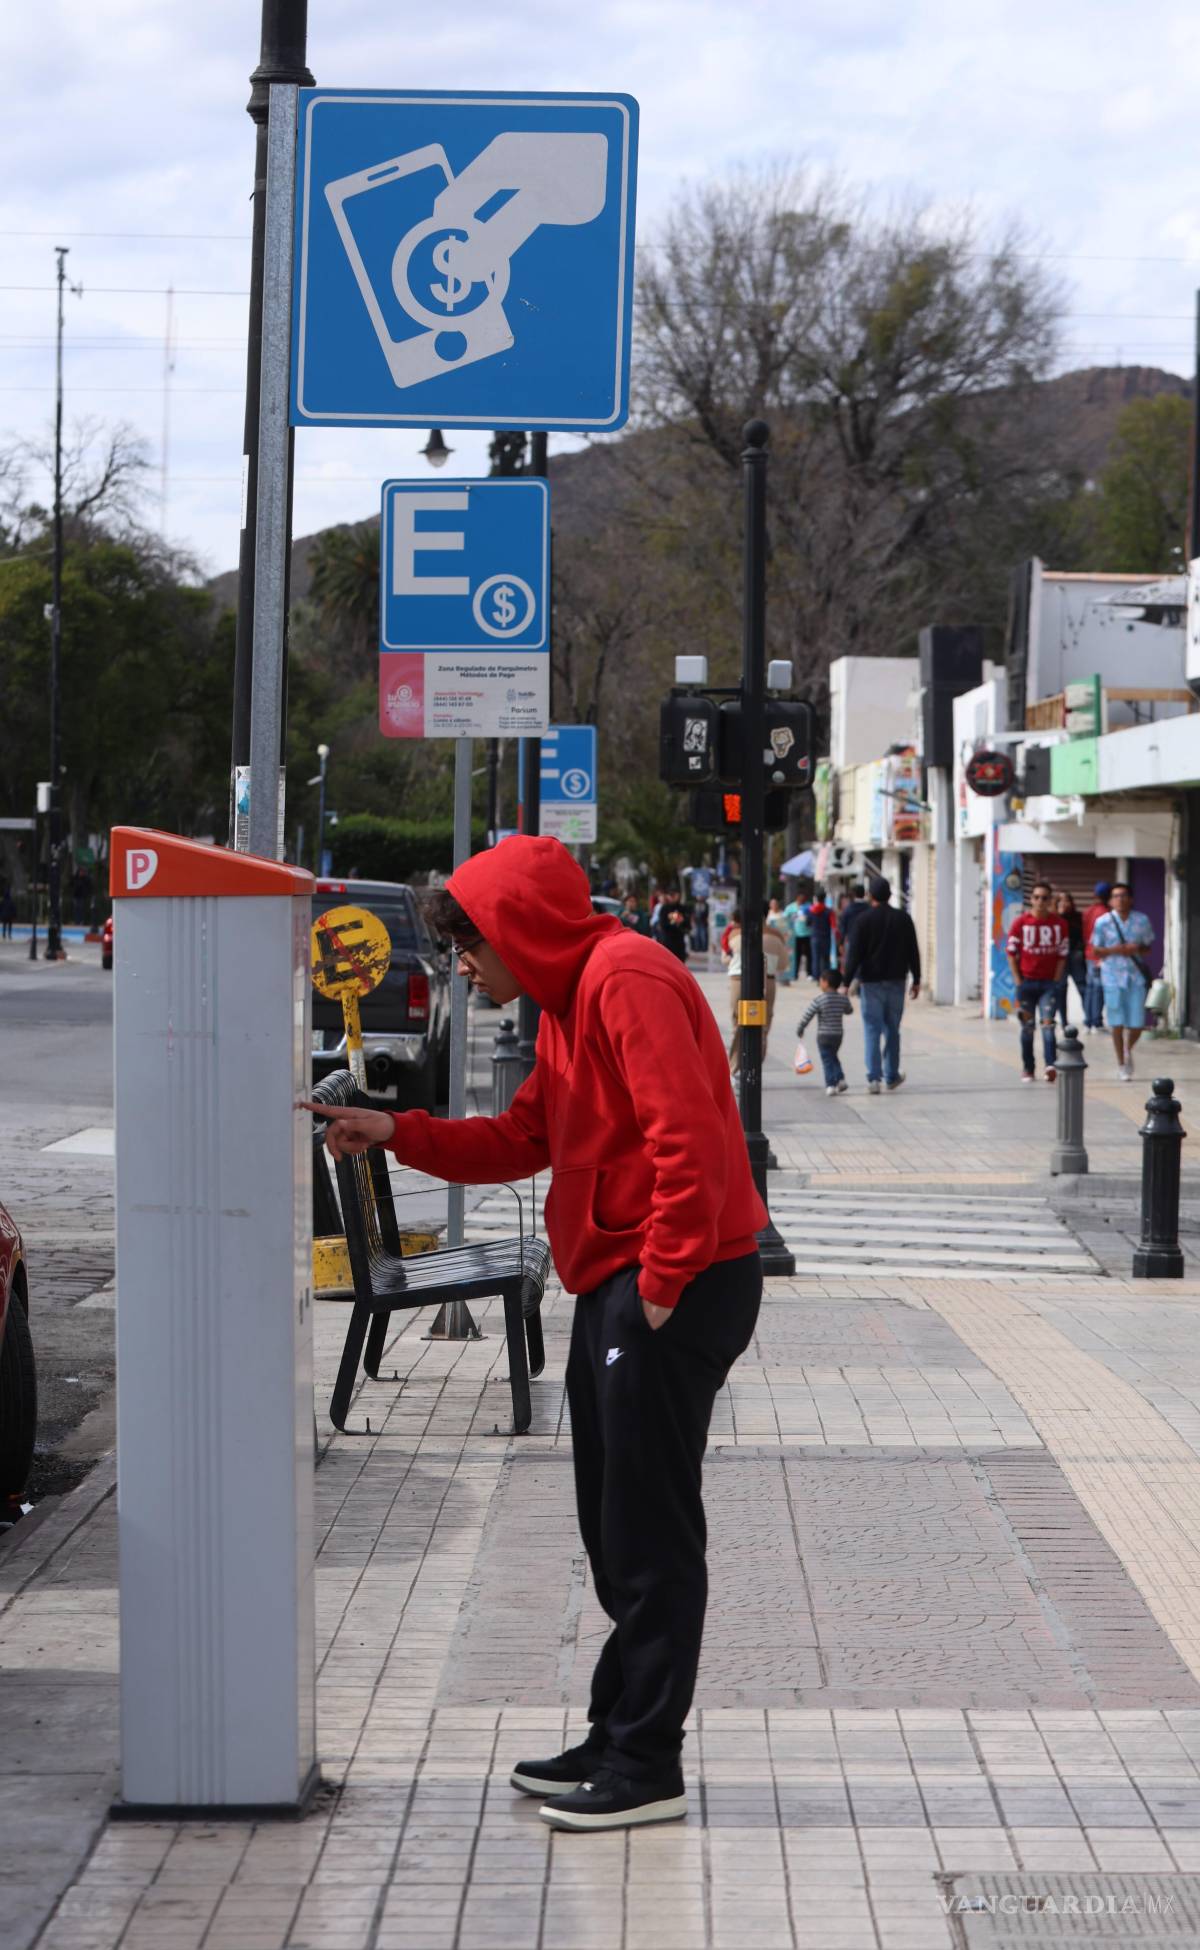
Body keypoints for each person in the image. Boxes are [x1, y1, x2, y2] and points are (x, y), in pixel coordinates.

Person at [304, 837, 765, 1833]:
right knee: (615, 1529)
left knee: (647, 1535)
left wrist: (664, 1279)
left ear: (518, 930)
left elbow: (686, 1134)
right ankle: (616, 1735)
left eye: (471, 947)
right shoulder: (569, 1001)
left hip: (667, 1282)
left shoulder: (626, 979)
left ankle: (646, 1764)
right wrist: (398, 1130)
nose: (462, 968)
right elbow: (522, 1138)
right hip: (626, 1274)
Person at [843, 878, 921, 1094]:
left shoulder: (863, 920)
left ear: (871, 895)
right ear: (890, 895)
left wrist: (845, 982)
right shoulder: (903, 919)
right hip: (897, 981)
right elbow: (913, 950)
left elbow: (854, 954)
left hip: (871, 983)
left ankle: (873, 1079)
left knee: (871, 1029)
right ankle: (891, 1075)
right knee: (893, 1030)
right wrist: (917, 979)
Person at [1091, 880, 1155, 1081]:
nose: (1120, 899)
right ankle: (1121, 1063)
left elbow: (1148, 946)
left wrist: (1135, 948)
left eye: (1124, 895)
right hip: (1111, 976)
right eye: (1116, 896)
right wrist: (1115, 950)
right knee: (1116, 1022)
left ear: (1131, 899)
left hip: (1135, 977)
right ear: (1110, 900)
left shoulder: (1141, 920)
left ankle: (1127, 1049)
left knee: (1137, 1023)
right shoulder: (1102, 922)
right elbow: (1095, 949)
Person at [1005, 880, 1068, 1084]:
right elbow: (1011, 953)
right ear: (1031, 900)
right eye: (1037, 897)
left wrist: (1056, 979)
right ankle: (1028, 1067)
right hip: (1027, 983)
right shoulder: (1020, 923)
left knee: (1048, 1024)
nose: (1040, 901)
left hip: (1048, 984)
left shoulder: (1059, 924)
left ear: (1050, 901)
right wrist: (1017, 980)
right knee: (1027, 1027)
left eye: (1045, 898)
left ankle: (1051, 1065)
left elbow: (1062, 954)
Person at [724, 904, 790, 1073]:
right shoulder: (776, 937)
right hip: (767, 982)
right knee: (763, 1025)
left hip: (738, 980)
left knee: (738, 1023)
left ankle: (735, 1067)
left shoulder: (734, 935)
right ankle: (755, 1068)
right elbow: (783, 964)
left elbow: (725, 959)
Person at [796, 966, 854, 1096]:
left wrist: (801, 1028)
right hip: (838, 1035)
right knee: (833, 1056)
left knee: (827, 1060)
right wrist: (845, 1000)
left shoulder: (820, 999)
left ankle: (830, 1085)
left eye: (821, 980)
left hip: (823, 1035)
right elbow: (849, 1010)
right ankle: (840, 1079)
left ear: (826, 982)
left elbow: (808, 1015)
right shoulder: (842, 998)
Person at [1081, 882, 1112, 1034]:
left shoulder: (1089, 911)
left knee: (1090, 988)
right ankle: (1096, 1022)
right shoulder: (1104, 914)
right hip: (1098, 955)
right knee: (1098, 988)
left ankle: (1088, 1021)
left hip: (1089, 953)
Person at [1054, 891, 1087, 1027]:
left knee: (1082, 987)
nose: (1064, 904)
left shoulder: (1078, 917)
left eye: (1066, 900)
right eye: (1060, 901)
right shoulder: (1054, 919)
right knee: (1061, 988)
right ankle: (1063, 1021)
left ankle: (1090, 1019)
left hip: (1075, 955)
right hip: (1060, 958)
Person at [838, 883, 870, 972]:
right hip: (868, 941)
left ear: (853, 894)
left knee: (852, 964)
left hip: (851, 941)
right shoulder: (869, 908)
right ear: (864, 894)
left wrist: (840, 943)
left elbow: (843, 928)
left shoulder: (848, 910)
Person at [652, 889, 690, 962]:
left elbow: (688, 925)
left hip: (679, 941)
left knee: (680, 963)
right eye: (670, 895)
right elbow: (662, 924)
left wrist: (682, 921)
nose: (672, 897)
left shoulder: (683, 908)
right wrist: (673, 923)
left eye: (674, 895)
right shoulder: (664, 908)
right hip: (668, 941)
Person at [806, 887, 834, 980]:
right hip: (826, 937)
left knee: (815, 958)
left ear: (816, 898)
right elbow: (833, 924)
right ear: (825, 898)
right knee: (826, 959)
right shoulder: (829, 911)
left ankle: (816, 977)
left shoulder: (811, 911)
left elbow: (808, 923)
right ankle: (826, 977)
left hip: (815, 937)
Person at [781, 889, 809, 982]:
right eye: (800, 899)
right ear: (797, 898)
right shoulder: (790, 907)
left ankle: (809, 973)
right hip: (795, 934)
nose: (801, 901)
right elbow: (784, 918)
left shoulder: (808, 906)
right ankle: (794, 973)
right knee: (796, 955)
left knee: (808, 955)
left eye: (803, 899)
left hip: (807, 933)